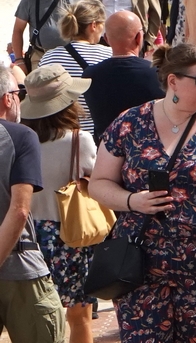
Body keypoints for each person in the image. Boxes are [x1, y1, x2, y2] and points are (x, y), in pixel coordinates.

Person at [89, 43, 196, 343]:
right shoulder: (130, 123)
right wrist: (131, 200)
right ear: (173, 80)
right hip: (139, 264)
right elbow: (98, 183)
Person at [20, 65, 97, 343]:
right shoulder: (80, 140)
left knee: (37, 317)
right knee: (80, 318)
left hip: (28, 236)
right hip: (72, 235)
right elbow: (97, 184)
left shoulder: (19, 141)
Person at [0, 64, 67, 342]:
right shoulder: (19, 136)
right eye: (18, 93)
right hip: (19, 266)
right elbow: (19, 210)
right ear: (7, 98)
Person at [82, 11, 164, 141]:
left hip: (106, 152)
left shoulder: (89, 75)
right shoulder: (158, 74)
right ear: (139, 37)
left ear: (106, 39)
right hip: (148, 153)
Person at [37, 0, 110, 135]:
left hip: (60, 133)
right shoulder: (108, 55)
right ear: (93, 25)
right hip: (97, 133)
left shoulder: (49, 57)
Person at [13, 0, 80, 73]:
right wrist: (19, 60)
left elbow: (84, 26)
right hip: (40, 56)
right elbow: (18, 30)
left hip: (69, 55)